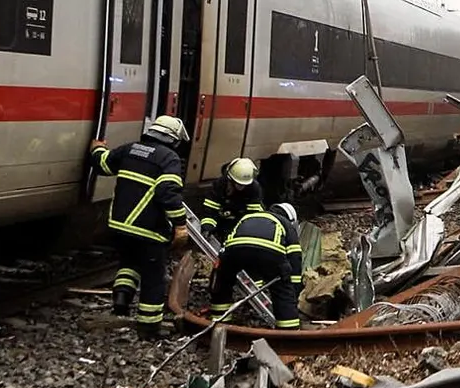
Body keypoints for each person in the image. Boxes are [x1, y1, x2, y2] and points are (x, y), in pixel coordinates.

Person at [88, 115, 190, 337]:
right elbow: (168, 193)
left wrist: (96, 149)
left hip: (120, 225)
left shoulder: (130, 149)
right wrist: (180, 225)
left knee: (128, 263)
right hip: (148, 229)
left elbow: (103, 164)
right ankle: (148, 327)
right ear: (173, 140)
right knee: (153, 277)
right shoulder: (169, 158)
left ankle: (121, 301)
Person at [211, 201, 304, 330]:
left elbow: (231, 240)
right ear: (291, 219)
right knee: (282, 290)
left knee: (224, 281)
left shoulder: (248, 217)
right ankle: (288, 330)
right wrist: (293, 289)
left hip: (235, 249)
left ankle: (218, 323)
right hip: (270, 252)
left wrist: (221, 266)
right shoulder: (285, 223)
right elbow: (294, 259)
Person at [196, 158, 262, 241]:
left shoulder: (254, 189)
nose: (241, 187)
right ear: (230, 179)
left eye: (243, 185)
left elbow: (252, 216)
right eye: (238, 184)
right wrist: (207, 228)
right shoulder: (220, 185)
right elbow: (210, 210)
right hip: (221, 218)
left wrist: (240, 234)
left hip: (239, 221)